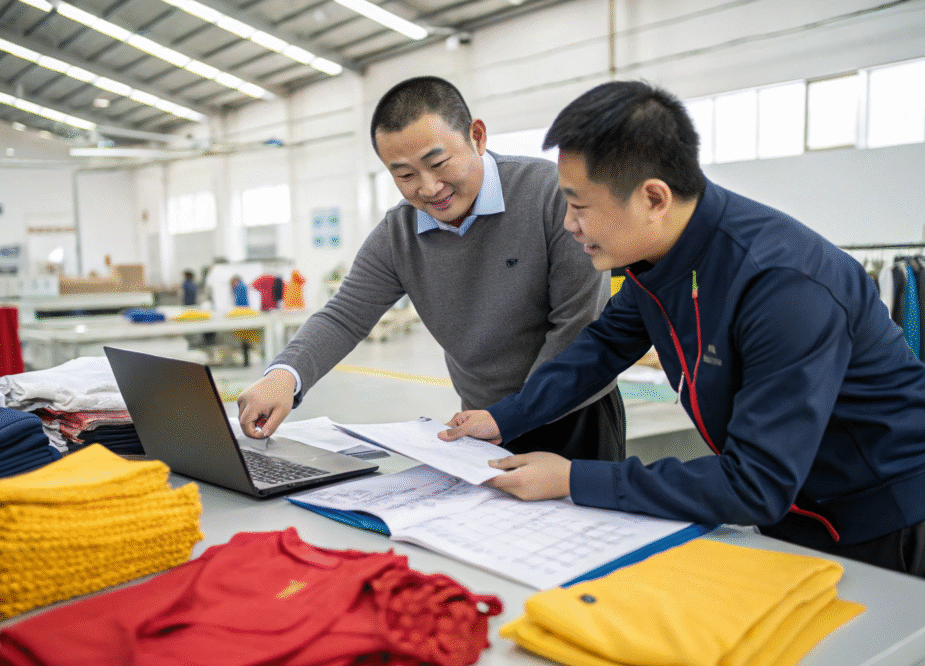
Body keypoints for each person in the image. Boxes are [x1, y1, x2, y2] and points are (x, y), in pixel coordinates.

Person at [440, 80, 925, 576]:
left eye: (579, 205)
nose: (569, 224)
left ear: (654, 198)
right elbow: (604, 346)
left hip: (887, 522)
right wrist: (504, 418)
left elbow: (755, 484)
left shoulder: (784, 286)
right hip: (795, 510)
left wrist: (573, 479)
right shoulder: (663, 255)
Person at [237, 76, 625, 463]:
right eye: (405, 175)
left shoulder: (551, 196)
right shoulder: (399, 235)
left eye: (438, 164)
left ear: (477, 137)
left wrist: (514, 415)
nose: (429, 187)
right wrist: (283, 376)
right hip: (481, 423)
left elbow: (577, 324)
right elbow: (344, 316)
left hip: (574, 413)